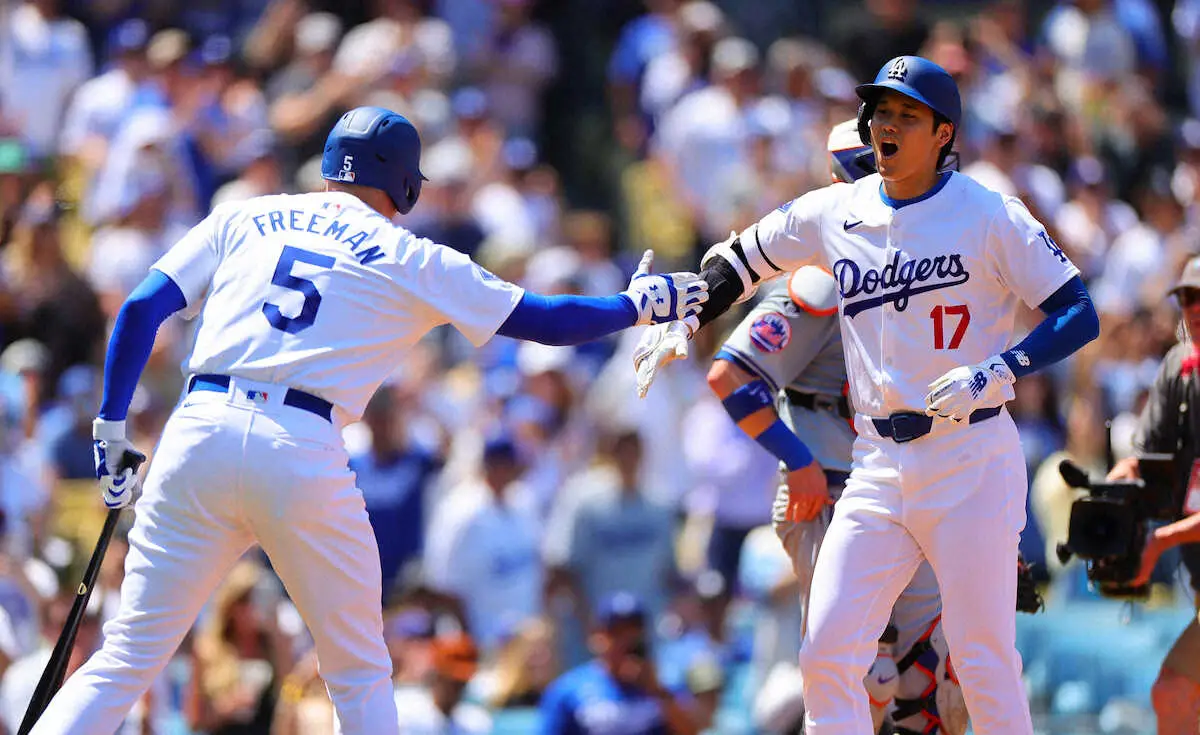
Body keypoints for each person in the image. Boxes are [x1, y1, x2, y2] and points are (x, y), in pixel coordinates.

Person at [29, 105, 707, 735]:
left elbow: (140, 306)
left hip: (197, 424)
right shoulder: (414, 257)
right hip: (298, 443)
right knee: (356, 672)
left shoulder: (246, 213)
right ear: (407, 187)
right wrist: (635, 304)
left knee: (126, 655)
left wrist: (112, 428)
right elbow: (544, 320)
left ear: (328, 163)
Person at [635, 56, 1100, 734]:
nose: (886, 124)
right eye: (880, 111)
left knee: (981, 661)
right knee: (827, 651)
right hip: (877, 462)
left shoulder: (990, 212)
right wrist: (689, 314)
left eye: (906, 115)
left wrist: (1003, 366)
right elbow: (739, 258)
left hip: (969, 455)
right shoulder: (836, 210)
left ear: (944, 132)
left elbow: (1077, 310)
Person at [706, 118, 958, 734]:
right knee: (862, 674)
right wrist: (796, 460)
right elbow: (730, 378)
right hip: (832, 489)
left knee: (937, 682)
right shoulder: (822, 276)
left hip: (910, 486)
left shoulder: (930, 276)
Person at [1108, 254, 1200, 734]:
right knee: (1174, 693)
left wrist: (1161, 541)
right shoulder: (1179, 371)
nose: (1195, 306)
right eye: (1187, 296)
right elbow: (1149, 458)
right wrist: (1124, 473)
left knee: (1176, 692)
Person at [538, 592, 699, 735]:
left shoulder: (663, 683)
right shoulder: (569, 688)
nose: (625, 640)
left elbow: (690, 731)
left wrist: (656, 690)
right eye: (616, 633)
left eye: (633, 631)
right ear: (598, 636)